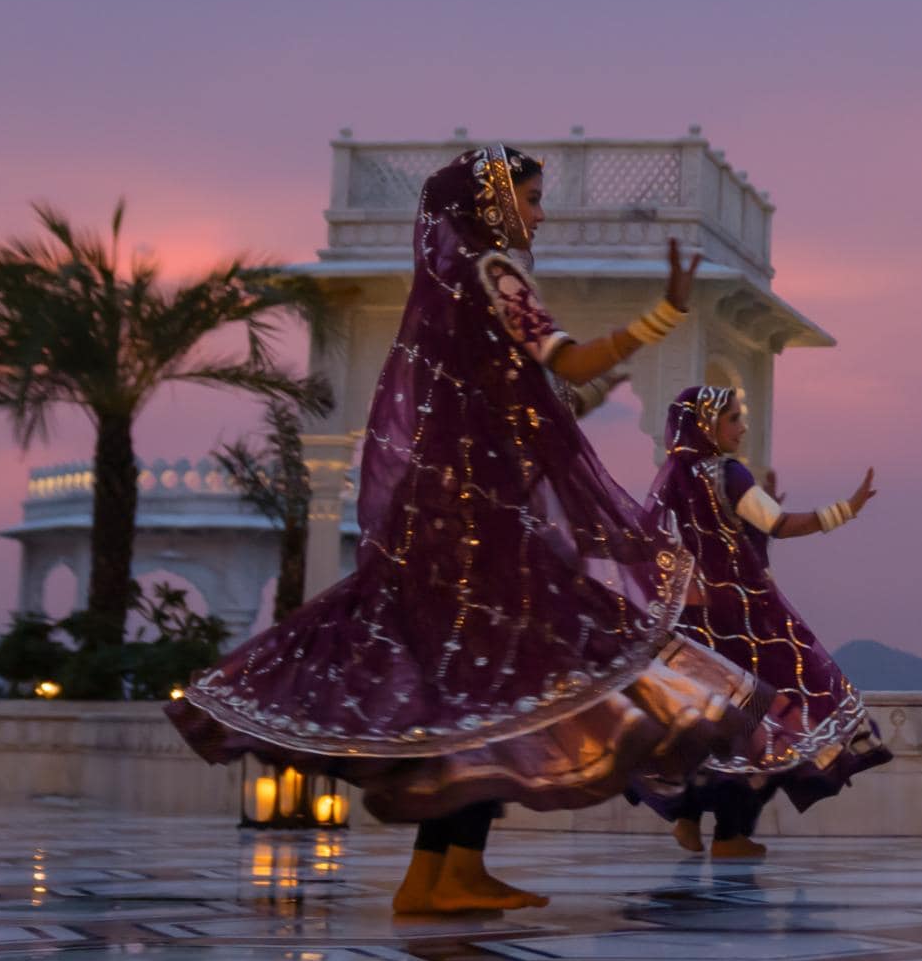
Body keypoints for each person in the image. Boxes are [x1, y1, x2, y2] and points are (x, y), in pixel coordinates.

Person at [171, 147, 768, 915]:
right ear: (492, 203)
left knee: (476, 694)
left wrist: (583, 398)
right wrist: (665, 314)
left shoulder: (449, 288)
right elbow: (565, 359)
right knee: (496, 686)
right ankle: (443, 874)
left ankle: (445, 872)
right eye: (531, 198)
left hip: (450, 517)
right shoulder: (494, 273)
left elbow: (515, 404)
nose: (541, 216)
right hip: (483, 526)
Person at [635, 387, 892, 859]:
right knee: (780, 719)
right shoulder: (727, 473)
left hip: (690, 627)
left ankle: (687, 816)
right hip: (746, 627)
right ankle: (730, 834)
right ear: (708, 425)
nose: (742, 427)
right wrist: (846, 509)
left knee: (701, 721)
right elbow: (780, 523)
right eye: (733, 418)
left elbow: (665, 550)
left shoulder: (671, 479)